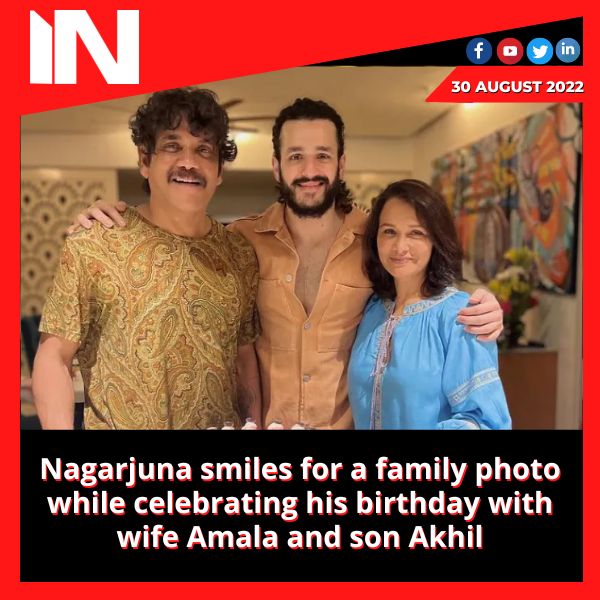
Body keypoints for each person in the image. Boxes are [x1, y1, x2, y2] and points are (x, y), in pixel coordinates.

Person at [69, 98, 504, 429]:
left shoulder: (377, 239)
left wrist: (483, 300)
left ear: (341, 164)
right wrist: (112, 217)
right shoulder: (239, 242)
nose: (309, 170)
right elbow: (174, 234)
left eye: (322, 155)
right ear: (277, 166)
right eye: (296, 156)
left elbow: (422, 281)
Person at [33, 88, 261, 429]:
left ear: (219, 171)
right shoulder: (96, 242)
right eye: (172, 146)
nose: (189, 161)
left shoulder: (239, 253)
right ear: (144, 160)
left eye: (203, 150)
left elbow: (244, 359)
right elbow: (54, 357)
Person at [348, 180, 511, 429]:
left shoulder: (460, 316)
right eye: (389, 231)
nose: (400, 247)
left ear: (435, 239)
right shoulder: (371, 309)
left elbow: (484, 421)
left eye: (416, 233)